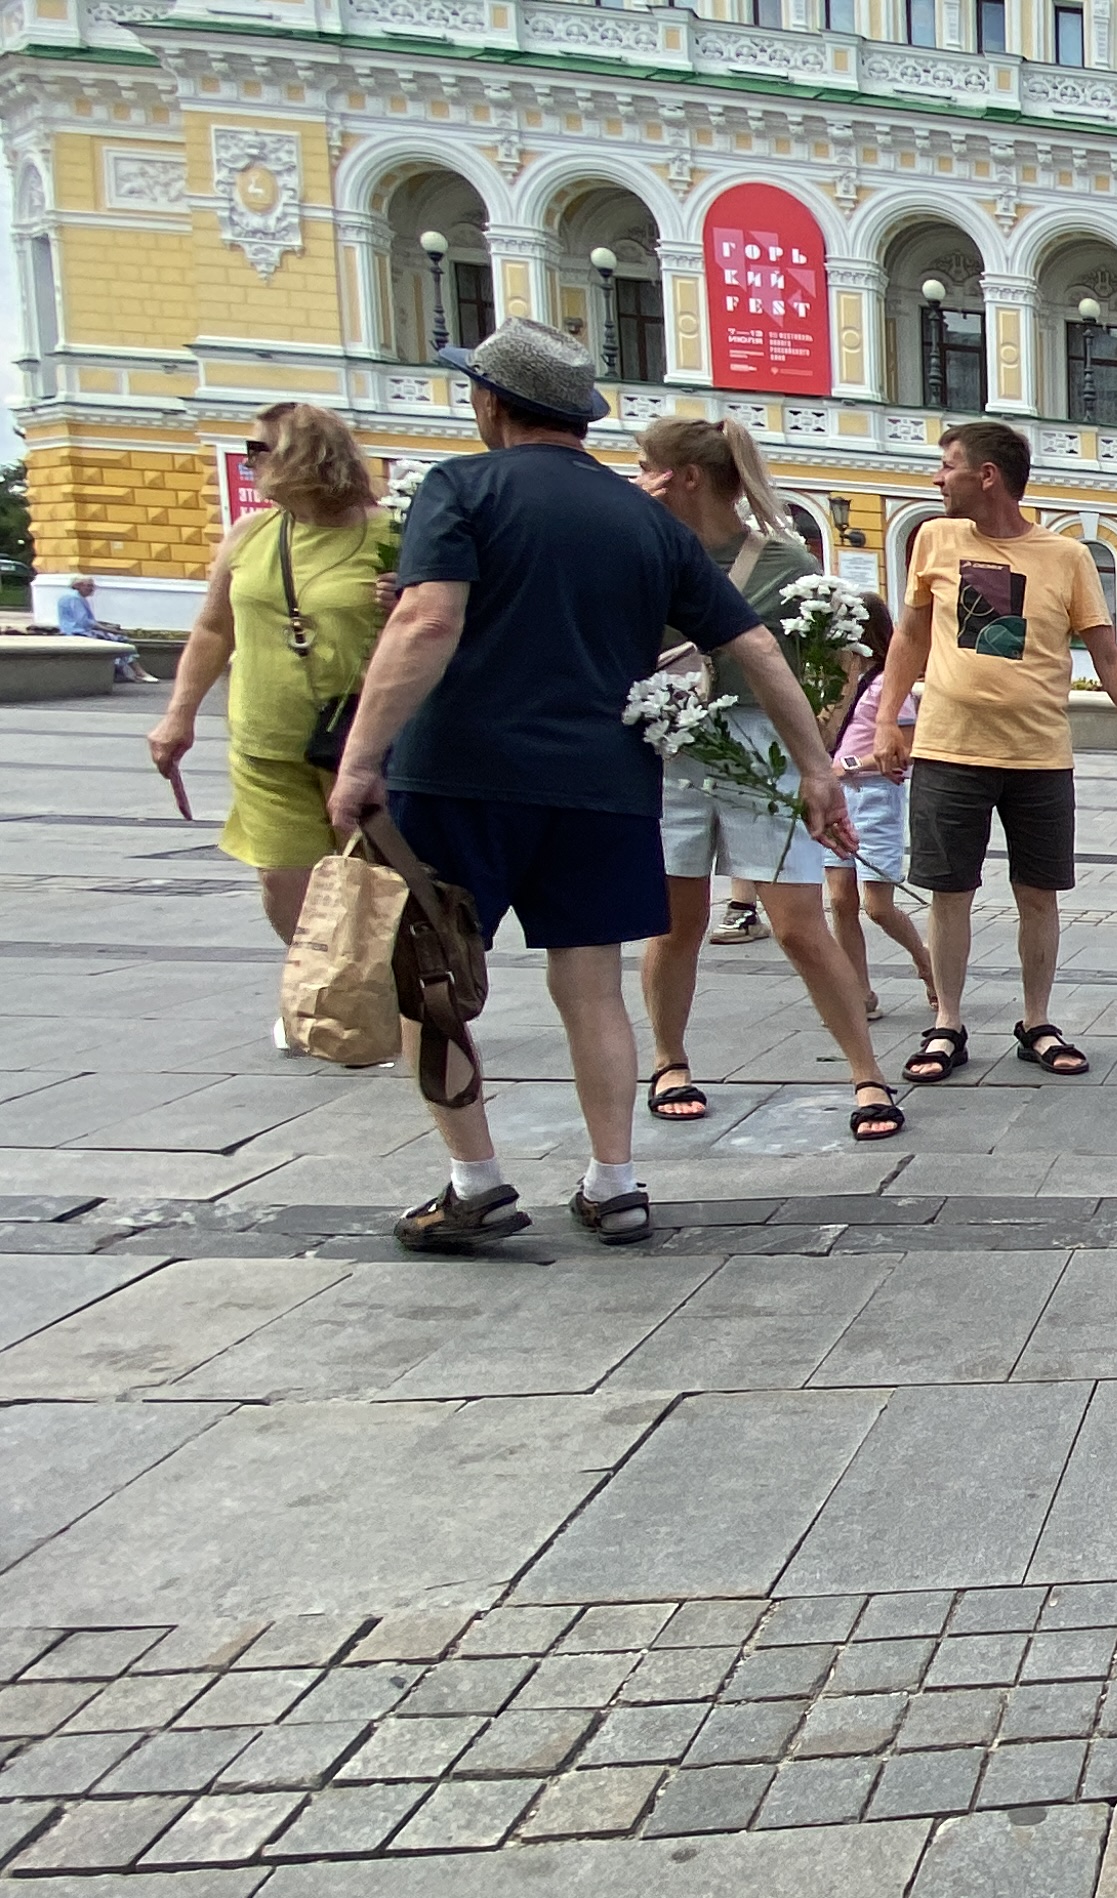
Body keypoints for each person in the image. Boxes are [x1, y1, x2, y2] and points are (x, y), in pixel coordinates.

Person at [323, 317, 851, 1252]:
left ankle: (474, 1180)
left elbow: (427, 625)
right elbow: (756, 645)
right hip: (605, 782)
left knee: (433, 981)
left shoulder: (462, 487)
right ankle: (615, 1182)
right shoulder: (644, 519)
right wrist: (817, 768)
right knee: (592, 982)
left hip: (461, 775)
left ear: (491, 402)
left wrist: (361, 759)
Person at [867, 419, 1117, 1082]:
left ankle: (1036, 1021)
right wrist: (888, 721)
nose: (936, 477)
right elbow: (908, 639)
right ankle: (946, 1023)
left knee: (1039, 894)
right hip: (952, 748)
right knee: (949, 891)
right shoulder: (935, 539)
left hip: (1039, 755)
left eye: (947, 465)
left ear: (987, 476)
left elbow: (1108, 654)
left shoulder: (1063, 557)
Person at [630, 416, 904, 1143]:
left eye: (647, 466)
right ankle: (669, 1061)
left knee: (798, 925)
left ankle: (866, 1072)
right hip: (671, 746)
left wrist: (820, 758)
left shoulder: (782, 561)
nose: (640, 478)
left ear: (686, 476)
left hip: (759, 744)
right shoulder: (637, 549)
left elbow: (826, 661)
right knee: (675, 920)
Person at [146, 403, 397, 1031]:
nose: (251, 459)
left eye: (261, 448)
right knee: (284, 878)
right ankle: (318, 987)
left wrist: (401, 599)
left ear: (307, 454)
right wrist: (178, 716)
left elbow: (433, 631)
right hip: (263, 740)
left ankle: (379, 995)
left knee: (371, 879)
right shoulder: (251, 535)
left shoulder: (391, 534)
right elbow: (211, 629)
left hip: (355, 743)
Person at [825, 591, 936, 1025]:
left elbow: (903, 749)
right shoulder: (834, 683)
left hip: (872, 797)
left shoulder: (890, 685)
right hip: (837, 798)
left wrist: (847, 765)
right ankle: (859, 990)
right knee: (839, 899)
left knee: (877, 904)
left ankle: (926, 961)